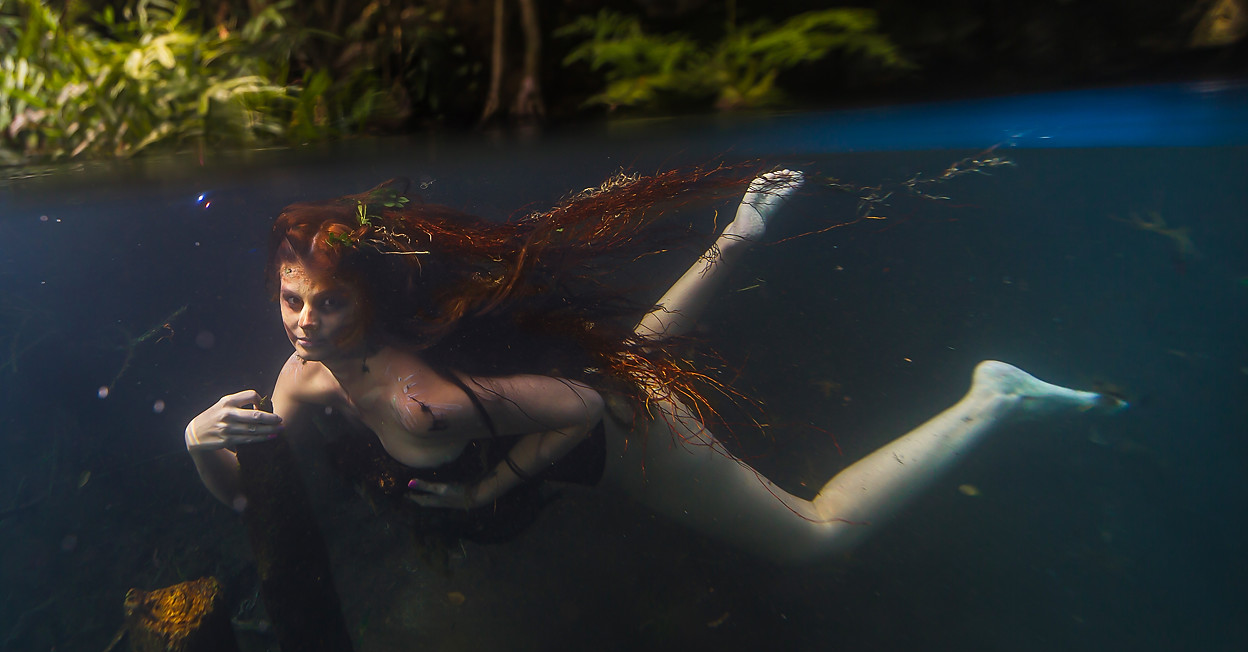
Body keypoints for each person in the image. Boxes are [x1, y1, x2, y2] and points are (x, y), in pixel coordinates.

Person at [184, 169, 1117, 563]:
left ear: (372, 301)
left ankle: (990, 402)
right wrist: (197, 443)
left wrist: (482, 494)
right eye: (291, 299)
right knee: (632, 350)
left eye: (330, 302)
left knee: (818, 537)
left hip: (635, 431)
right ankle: (745, 229)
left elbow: (590, 404)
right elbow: (242, 495)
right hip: (590, 382)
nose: (302, 324)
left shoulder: (419, 401)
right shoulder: (302, 380)